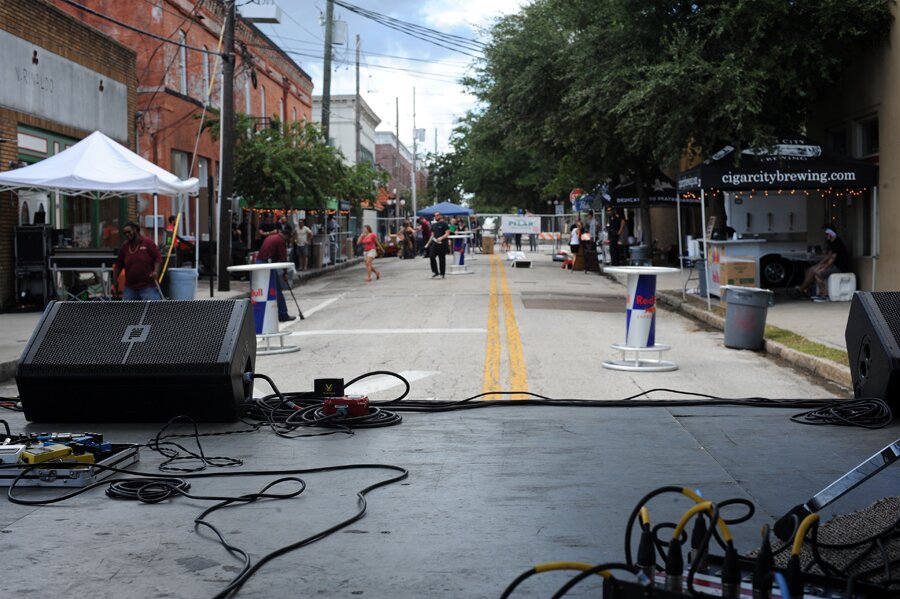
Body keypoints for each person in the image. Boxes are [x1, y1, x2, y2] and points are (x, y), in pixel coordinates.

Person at [797, 226, 850, 301]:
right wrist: (819, 264)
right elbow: (828, 256)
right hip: (834, 265)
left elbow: (832, 258)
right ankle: (804, 289)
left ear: (831, 234)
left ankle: (824, 294)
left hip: (839, 267)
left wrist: (824, 268)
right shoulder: (832, 242)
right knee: (811, 269)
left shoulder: (837, 242)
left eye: (826, 234)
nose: (825, 236)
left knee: (817, 273)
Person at [113, 221, 162, 300]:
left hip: (148, 286)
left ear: (135, 230)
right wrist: (115, 280)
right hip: (130, 287)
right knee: (126, 311)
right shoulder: (125, 246)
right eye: (124, 233)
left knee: (153, 310)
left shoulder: (148, 243)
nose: (127, 235)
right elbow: (118, 264)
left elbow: (158, 258)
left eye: (129, 232)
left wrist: (156, 272)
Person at [257, 223, 296, 322]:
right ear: (287, 236)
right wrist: (285, 273)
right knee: (277, 290)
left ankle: (264, 316)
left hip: (260, 263)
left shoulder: (272, 237)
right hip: (267, 264)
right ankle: (283, 314)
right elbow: (283, 258)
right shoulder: (280, 241)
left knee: (263, 291)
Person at [429, 211, 451, 278]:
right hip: (435, 243)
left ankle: (442, 273)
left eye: (437, 215)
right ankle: (435, 272)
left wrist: (441, 237)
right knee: (431, 256)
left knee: (441, 258)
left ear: (440, 216)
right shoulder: (433, 225)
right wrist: (428, 243)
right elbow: (432, 235)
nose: (436, 216)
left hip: (442, 244)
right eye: (435, 215)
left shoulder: (444, 224)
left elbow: (447, 233)